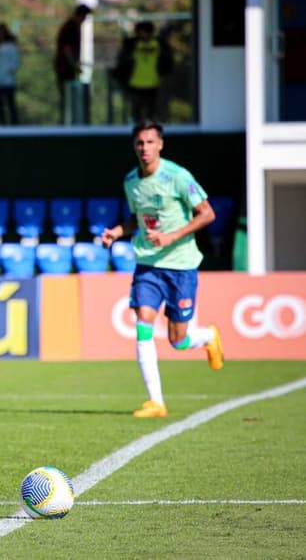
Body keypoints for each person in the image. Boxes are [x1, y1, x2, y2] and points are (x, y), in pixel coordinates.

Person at [101, 120, 225, 419]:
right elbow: (137, 218)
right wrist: (118, 231)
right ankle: (156, 401)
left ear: (160, 144)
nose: (144, 148)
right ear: (134, 147)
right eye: (139, 143)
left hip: (180, 266)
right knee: (143, 321)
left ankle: (208, 337)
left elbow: (207, 213)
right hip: (148, 265)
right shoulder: (131, 180)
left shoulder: (177, 177)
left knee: (178, 340)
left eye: (150, 142)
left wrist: (172, 235)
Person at [113, 21, 174, 122]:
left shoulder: (159, 44)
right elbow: (122, 61)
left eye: (145, 32)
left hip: (153, 83)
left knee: (152, 112)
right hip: (135, 83)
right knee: (136, 113)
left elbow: (167, 61)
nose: (143, 35)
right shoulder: (131, 45)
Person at [54, 4, 91, 124]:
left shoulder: (74, 27)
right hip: (65, 67)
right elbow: (66, 49)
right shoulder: (70, 27)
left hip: (68, 66)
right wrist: (73, 64)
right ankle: (66, 123)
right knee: (67, 97)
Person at [0, 23, 20, 125]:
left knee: (11, 105)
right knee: (0, 106)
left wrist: (7, 72)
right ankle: (3, 126)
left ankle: (14, 127)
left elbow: (15, 63)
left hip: (8, 81)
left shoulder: (11, 47)